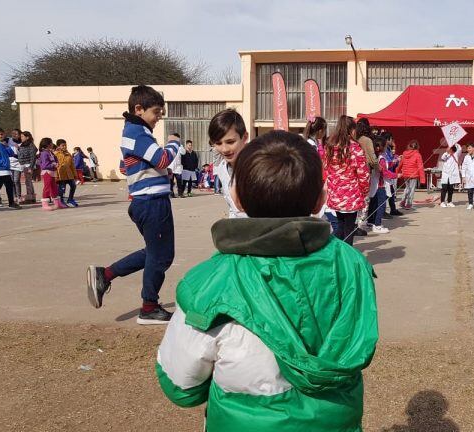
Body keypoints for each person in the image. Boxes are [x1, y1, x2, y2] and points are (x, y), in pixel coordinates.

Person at [155, 130, 378, 431]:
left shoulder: (213, 282)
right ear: (320, 201)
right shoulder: (352, 266)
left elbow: (181, 385)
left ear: (236, 197)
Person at [86, 85, 180, 325]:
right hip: (152, 203)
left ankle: (105, 274)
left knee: (155, 254)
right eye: (157, 112)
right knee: (161, 257)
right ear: (139, 109)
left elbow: (123, 166)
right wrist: (174, 143)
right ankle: (148, 307)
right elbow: (162, 158)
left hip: (146, 202)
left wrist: (156, 171)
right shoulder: (137, 132)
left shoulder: (134, 132)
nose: (159, 117)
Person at [323, 115, 370, 246]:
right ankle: (344, 259)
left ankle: (336, 254)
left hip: (336, 194)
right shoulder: (354, 148)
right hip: (351, 195)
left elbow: (326, 169)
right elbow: (363, 174)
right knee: (348, 231)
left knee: (341, 226)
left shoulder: (330, 146)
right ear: (351, 130)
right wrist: (365, 191)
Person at [209, 108, 249, 218]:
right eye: (218, 143)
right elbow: (233, 209)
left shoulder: (259, 167)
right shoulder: (222, 169)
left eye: (230, 142)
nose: (225, 149)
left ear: (244, 137)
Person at [367, 136, 397, 234]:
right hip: (380, 185)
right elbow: (384, 172)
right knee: (381, 206)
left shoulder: (377, 157)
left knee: (373, 204)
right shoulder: (381, 158)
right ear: (383, 147)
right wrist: (396, 175)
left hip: (374, 185)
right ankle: (378, 225)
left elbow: (385, 167)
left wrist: (393, 162)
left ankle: (370, 222)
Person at [0, 128, 20, 209]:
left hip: (5, 169)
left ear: (4, 134)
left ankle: (11, 203)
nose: (0, 136)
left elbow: (11, 154)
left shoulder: (2, 143)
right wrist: (2, 163)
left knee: (7, 186)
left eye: (2, 134)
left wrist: (7, 146)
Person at [355, 118, 377, 237]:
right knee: (365, 198)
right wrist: (379, 168)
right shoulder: (367, 140)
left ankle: (354, 223)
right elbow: (372, 157)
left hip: (353, 172)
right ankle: (359, 225)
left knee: (355, 197)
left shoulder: (354, 139)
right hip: (365, 171)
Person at [381, 131, 403, 217]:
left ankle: (392, 209)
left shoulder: (389, 149)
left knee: (391, 193)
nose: (392, 141)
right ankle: (383, 211)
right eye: (391, 139)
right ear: (387, 140)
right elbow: (387, 163)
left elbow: (391, 160)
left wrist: (396, 158)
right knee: (386, 194)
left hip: (390, 174)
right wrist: (395, 161)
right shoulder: (384, 150)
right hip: (385, 175)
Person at [38, 138, 60, 211]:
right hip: (47, 172)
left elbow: (55, 159)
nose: (52, 144)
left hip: (52, 171)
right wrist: (53, 165)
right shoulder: (44, 153)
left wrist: (56, 163)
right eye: (51, 143)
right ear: (47, 144)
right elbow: (44, 165)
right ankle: (45, 204)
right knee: (47, 187)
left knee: (54, 187)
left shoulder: (50, 152)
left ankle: (57, 203)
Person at [54, 140, 77, 208]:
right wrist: (56, 175)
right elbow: (55, 166)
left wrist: (75, 174)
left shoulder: (68, 154)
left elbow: (72, 165)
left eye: (65, 145)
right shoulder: (55, 154)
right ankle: (61, 201)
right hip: (61, 174)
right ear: (58, 146)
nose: (64, 146)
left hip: (69, 174)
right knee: (62, 188)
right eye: (62, 145)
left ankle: (70, 199)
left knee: (73, 185)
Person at [17, 131, 38, 203]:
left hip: (28, 165)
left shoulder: (31, 145)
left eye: (22, 136)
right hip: (23, 165)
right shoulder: (22, 145)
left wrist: (30, 168)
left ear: (27, 137)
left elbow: (33, 157)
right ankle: (30, 197)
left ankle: (31, 198)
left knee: (28, 182)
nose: (21, 138)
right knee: (27, 181)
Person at [461, 142, 474, 210]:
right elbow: (463, 167)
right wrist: (463, 176)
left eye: (469, 148)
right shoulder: (466, 157)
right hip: (468, 176)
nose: (468, 149)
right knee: (469, 191)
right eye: (467, 148)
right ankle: (470, 204)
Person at [439, 143, 461, 207]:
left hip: (452, 174)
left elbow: (459, 148)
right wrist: (447, 152)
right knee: (444, 188)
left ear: (452, 149)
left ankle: (449, 201)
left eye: (450, 147)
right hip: (446, 174)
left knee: (451, 188)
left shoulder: (456, 154)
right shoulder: (446, 154)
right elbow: (442, 158)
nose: (448, 148)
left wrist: (455, 142)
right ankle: (442, 202)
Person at [7, 128, 23, 201]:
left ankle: (19, 196)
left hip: (18, 163)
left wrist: (19, 148)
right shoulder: (8, 140)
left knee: (16, 180)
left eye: (16, 134)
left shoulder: (22, 143)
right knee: (11, 181)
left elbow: (23, 154)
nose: (14, 135)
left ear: (19, 135)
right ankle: (14, 196)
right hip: (9, 163)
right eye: (13, 133)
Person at [167, 133, 183, 198]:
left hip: (178, 167)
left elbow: (183, 152)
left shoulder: (179, 146)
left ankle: (180, 193)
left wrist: (180, 145)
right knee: (170, 181)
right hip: (170, 166)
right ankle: (171, 194)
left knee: (179, 181)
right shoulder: (168, 145)